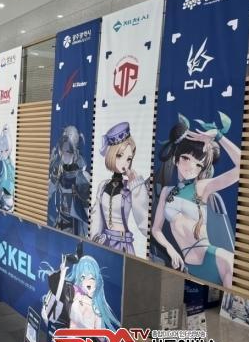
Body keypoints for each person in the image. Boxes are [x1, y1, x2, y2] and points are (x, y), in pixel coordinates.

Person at [151, 114, 239, 287]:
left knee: (233, 302)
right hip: (188, 264)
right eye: (186, 158)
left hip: (213, 258)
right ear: (176, 159)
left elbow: (243, 167)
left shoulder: (202, 187)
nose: (191, 167)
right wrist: (170, 249)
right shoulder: (167, 191)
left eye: (198, 164)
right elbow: (156, 229)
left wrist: (218, 136)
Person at [90, 122, 149, 256]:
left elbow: (144, 222)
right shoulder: (103, 186)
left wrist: (137, 186)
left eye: (129, 158)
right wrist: (95, 239)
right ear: (111, 154)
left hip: (123, 246)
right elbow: (96, 218)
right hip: (103, 242)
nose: (124, 162)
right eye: (119, 155)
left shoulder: (131, 187)